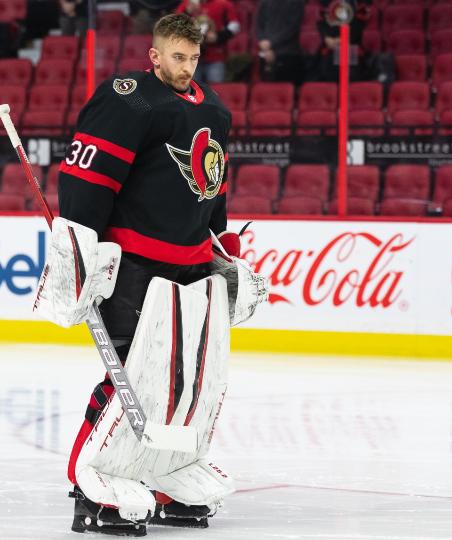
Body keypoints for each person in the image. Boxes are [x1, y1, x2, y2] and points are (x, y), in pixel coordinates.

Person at [42, 13, 267, 536]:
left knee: (187, 384)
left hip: (191, 265)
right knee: (134, 378)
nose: (187, 67)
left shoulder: (212, 108)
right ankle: (93, 484)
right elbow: (86, 178)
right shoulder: (129, 99)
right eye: (177, 57)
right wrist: (82, 245)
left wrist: (220, 239)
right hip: (135, 264)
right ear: (155, 56)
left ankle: (165, 480)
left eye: (193, 58)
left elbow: (212, 181)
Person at [175, 0, 241, 83]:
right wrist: (187, 12)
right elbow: (175, 26)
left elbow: (235, 25)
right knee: (191, 91)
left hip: (215, 57)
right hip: (191, 58)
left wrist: (218, 36)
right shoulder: (187, 3)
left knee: (215, 91)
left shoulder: (223, 3)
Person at [254, 0, 305, 82]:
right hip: (266, 52)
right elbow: (259, 24)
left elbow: (292, 28)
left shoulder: (296, 2)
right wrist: (262, 41)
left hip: (288, 53)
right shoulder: (265, 2)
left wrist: (271, 43)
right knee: (266, 89)